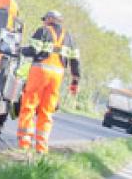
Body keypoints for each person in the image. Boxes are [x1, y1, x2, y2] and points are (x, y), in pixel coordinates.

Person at [16, 10, 81, 154]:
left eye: (45, 19)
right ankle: (41, 148)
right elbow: (75, 61)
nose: (43, 22)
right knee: (47, 111)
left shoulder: (43, 31)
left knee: (29, 105)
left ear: (51, 19)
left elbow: (33, 50)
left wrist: (19, 50)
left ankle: (25, 143)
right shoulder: (69, 37)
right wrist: (75, 81)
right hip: (57, 77)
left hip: (40, 72)